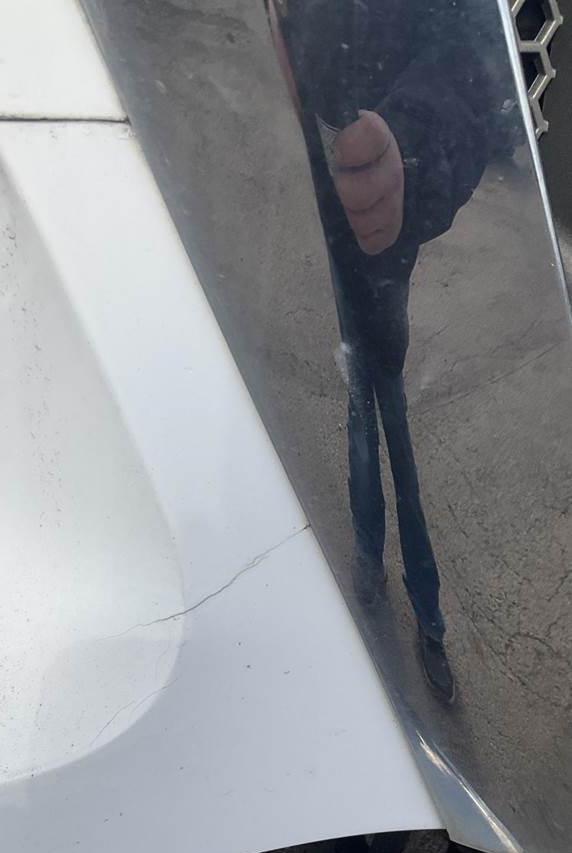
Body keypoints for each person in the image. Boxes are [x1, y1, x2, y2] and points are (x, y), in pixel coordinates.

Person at [266, 0, 502, 701]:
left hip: (384, 238)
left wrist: (410, 153)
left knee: (395, 426)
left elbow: (470, 68)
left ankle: (429, 621)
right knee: (361, 415)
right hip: (332, 225)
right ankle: (368, 565)